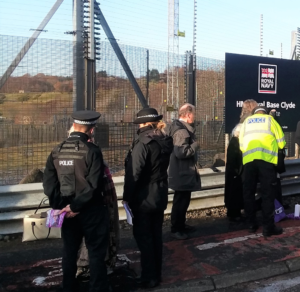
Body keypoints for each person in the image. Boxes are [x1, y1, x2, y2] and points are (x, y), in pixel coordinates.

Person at [43, 110, 110, 292]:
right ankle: (97, 288)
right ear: (92, 130)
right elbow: (93, 184)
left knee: (69, 251)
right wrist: (76, 206)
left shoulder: (56, 150)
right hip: (91, 211)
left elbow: (49, 184)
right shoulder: (93, 151)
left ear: (73, 127)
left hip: (67, 212)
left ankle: (69, 287)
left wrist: (62, 207)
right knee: (96, 252)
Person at [122, 107, 173, 289]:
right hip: (159, 193)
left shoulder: (143, 143)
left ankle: (148, 277)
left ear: (143, 123)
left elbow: (133, 173)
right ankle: (156, 274)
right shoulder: (164, 140)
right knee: (156, 235)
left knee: (144, 238)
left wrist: (127, 197)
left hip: (143, 197)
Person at [239, 106, 286, 237]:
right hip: (267, 162)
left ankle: (251, 224)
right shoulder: (270, 120)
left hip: (248, 162)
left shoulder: (246, 122)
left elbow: (242, 145)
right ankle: (268, 227)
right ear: (264, 112)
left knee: (248, 193)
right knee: (267, 194)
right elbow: (281, 143)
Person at [167, 103, 201, 240]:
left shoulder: (177, 127)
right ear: (188, 115)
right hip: (182, 172)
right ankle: (177, 228)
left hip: (180, 171)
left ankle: (180, 225)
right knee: (181, 200)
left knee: (182, 199)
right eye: (193, 114)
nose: (194, 117)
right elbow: (181, 152)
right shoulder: (182, 131)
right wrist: (195, 145)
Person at [225, 99, 258, 221]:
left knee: (235, 182)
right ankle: (236, 212)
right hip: (242, 156)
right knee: (240, 184)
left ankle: (234, 210)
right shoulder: (249, 121)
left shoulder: (241, 122)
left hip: (236, 154)